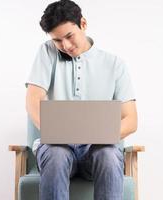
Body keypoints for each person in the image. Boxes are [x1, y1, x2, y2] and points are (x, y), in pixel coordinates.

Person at [25, 0, 137, 199]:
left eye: (69, 36)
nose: (65, 46)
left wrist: (96, 134)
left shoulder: (115, 65)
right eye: (57, 40)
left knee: (109, 155)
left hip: (97, 149)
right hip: (57, 147)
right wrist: (54, 132)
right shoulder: (47, 51)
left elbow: (131, 120)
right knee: (56, 155)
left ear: (83, 24)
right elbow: (33, 100)